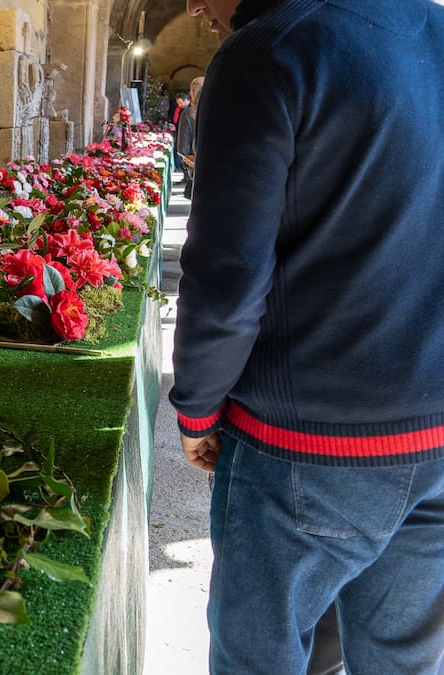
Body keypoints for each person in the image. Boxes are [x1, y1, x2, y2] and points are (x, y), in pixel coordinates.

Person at [171, 0, 444, 673]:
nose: (194, 9)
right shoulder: (436, 32)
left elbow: (228, 273)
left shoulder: (268, 53)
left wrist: (198, 407)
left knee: (257, 658)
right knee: (404, 662)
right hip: (437, 431)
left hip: (308, 445)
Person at [174, 77, 202, 198]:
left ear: (192, 93)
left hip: (197, 170)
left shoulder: (188, 114)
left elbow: (182, 148)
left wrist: (188, 165)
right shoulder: (220, 112)